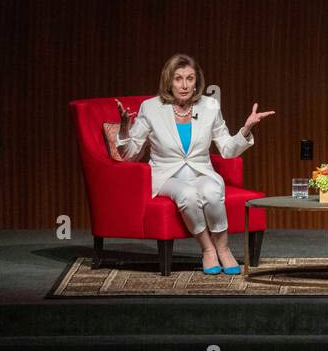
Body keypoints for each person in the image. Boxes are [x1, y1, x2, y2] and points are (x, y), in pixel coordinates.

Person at [114, 53, 274, 275]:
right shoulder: (150, 108)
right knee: (187, 194)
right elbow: (129, 154)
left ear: (197, 81)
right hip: (166, 177)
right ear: (169, 81)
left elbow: (227, 149)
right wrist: (124, 127)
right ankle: (209, 250)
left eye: (190, 78)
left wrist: (245, 129)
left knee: (211, 190)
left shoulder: (209, 106)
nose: (184, 85)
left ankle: (224, 249)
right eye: (178, 78)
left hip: (201, 173)